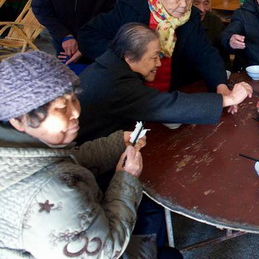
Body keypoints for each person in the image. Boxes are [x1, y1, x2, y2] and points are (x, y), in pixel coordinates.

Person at [0, 51, 181, 258]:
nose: (76, 113)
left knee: (149, 206)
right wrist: (126, 180)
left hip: (77, 225)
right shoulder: (48, 194)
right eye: (61, 108)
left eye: (74, 100)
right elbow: (105, 251)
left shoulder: (20, 148)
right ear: (19, 119)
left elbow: (69, 158)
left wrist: (116, 142)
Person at [78, 0, 236, 105]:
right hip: (132, 94)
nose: (184, 5)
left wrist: (220, 84)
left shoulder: (190, 17)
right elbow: (88, 35)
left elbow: (205, 53)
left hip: (171, 93)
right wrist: (124, 58)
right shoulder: (130, 8)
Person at [77, 23, 252, 143]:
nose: (159, 64)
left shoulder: (109, 65)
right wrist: (229, 99)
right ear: (130, 56)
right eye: (154, 57)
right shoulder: (115, 83)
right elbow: (166, 105)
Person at [191, 0, 229, 65]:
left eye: (206, 3)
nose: (202, 9)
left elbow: (224, 57)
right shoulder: (179, 24)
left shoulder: (215, 23)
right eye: (196, 3)